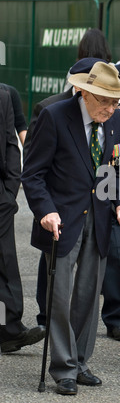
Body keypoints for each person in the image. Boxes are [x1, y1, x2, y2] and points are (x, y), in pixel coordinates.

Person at [22, 61, 120, 395]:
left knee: (88, 294)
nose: (111, 108)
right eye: (105, 101)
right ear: (85, 92)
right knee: (59, 296)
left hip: (99, 219)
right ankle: (63, 368)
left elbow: (116, 168)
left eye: (116, 102)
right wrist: (45, 211)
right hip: (61, 219)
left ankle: (81, 360)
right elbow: (34, 174)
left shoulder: (116, 119)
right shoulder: (54, 116)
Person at [0, 88, 45, 354]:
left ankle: (9, 330)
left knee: (5, 263)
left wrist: (9, 188)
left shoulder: (5, 96)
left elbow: (10, 142)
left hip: (1, 196)